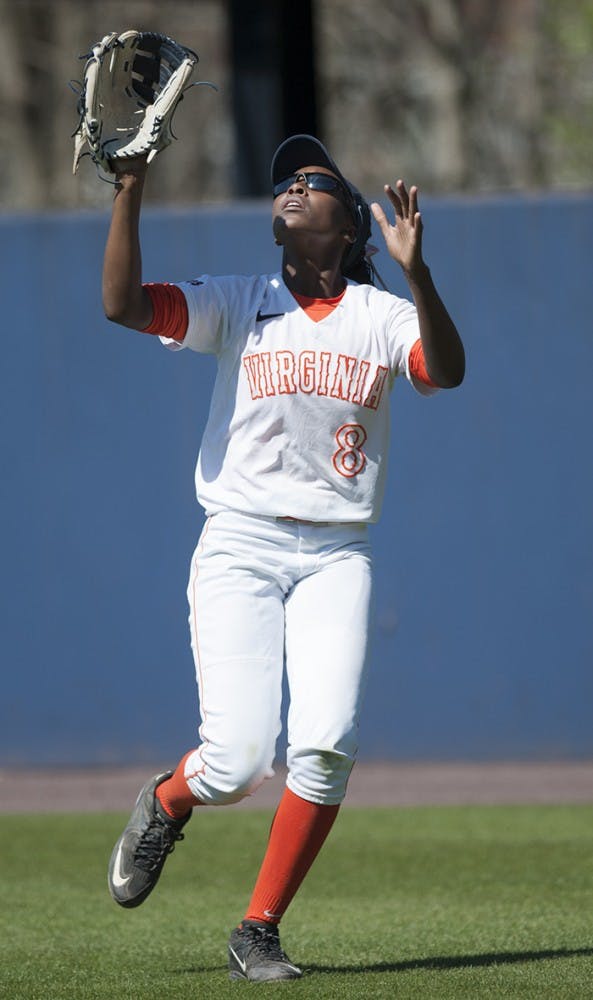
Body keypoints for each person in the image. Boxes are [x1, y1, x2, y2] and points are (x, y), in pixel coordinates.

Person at [102, 133, 465, 983]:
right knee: (236, 763)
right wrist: (129, 189)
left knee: (327, 744)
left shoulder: (381, 316)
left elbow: (444, 372)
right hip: (241, 542)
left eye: (313, 182)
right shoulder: (240, 300)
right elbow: (122, 305)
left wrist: (416, 274)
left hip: (336, 550)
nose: (292, 189)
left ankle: (257, 931)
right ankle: (168, 799)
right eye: (283, 184)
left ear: (350, 227)